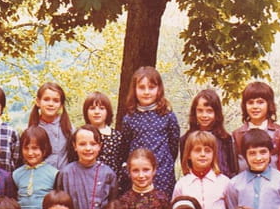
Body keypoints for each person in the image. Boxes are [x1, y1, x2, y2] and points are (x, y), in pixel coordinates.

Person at [56, 125, 118, 209]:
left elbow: (113, 203)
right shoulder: (66, 173)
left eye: (93, 144)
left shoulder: (108, 173)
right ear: (74, 146)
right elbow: (59, 204)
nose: (88, 148)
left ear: (100, 146)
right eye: (82, 144)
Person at [120, 66, 180, 197]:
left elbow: (173, 146)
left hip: (163, 175)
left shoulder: (167, 116)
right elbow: (125, 147)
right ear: (134, 89)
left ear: (159, 89)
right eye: (142, 87)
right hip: (138, 176)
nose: (146, 92)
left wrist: (164, 164)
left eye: (151, 87)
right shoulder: (129, 118)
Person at [173, 130, 230, 209]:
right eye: (197, 150)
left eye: (207, 151)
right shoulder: (182, 184)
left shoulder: (224, 182)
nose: (203, 154)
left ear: (214, 154)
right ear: (189, 155)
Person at [12, 126, 58, 209]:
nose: (30, 153)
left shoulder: (54, 174)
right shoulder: (16, 174)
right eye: (26, 148)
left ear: (44, 149)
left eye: (35, 148)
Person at [182, 89, 238, 178]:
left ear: (217, 113)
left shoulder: (225, 139)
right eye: (200, 111)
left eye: (209, 111)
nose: (204, 115)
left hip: (222, 183)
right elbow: (185, 167)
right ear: (194, 112)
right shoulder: (186, 139)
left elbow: (232, 169)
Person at [233, 81, 280, 172]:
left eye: (260, 102)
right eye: (250, 102)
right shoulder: (237, 135)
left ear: (269, 104)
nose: (255, 106)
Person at [27, 82, 73, 170]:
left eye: (56, 100)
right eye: (46, 99)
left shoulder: (68, 128)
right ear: (38, 102)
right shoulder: (32, 129)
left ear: (61, 105)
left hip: (64, 175)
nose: (51, 104)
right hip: (40, 175)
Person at [83, 91, 125, 185]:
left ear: (108, 112)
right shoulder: (81, 135)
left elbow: (120, 162)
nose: (97, 112)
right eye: (92, 108)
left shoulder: (117, 137)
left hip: (110, 184)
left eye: (101, 108)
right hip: (86, 182)